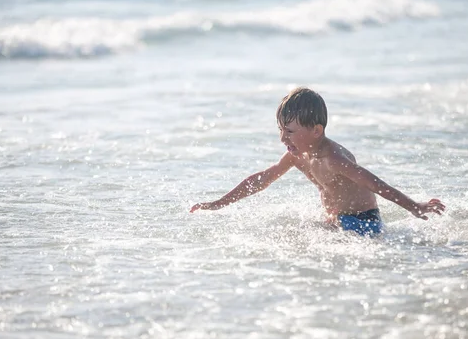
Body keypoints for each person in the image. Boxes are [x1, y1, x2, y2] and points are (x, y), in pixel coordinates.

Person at [190, 87, 445, 236]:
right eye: (280, 129)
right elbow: (261, 180)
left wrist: (414, 206)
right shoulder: (297, 155)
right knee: (283, 237)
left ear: (316, 131)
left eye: (289, 131)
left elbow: (375, 184)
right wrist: (217, 204)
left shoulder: (333, 158)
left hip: (363, 224)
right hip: (336, 221)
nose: (282, 138)